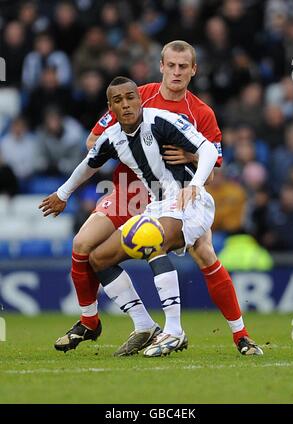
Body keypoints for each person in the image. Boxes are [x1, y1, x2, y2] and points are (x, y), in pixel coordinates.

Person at [42, 41, 262, 357]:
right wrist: (138, 154)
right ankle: (95, 321)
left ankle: (239, 335)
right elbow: (95, 140)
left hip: (176, 192)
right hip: (131, 191)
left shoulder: (201, 113)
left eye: (183, 67)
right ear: (160, 66)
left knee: (204, 251)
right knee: (83, 246)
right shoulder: (136, 96)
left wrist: (186, 155)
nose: (176, 72)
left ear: (193, 70)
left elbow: (211, 169)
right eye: (170, 65)